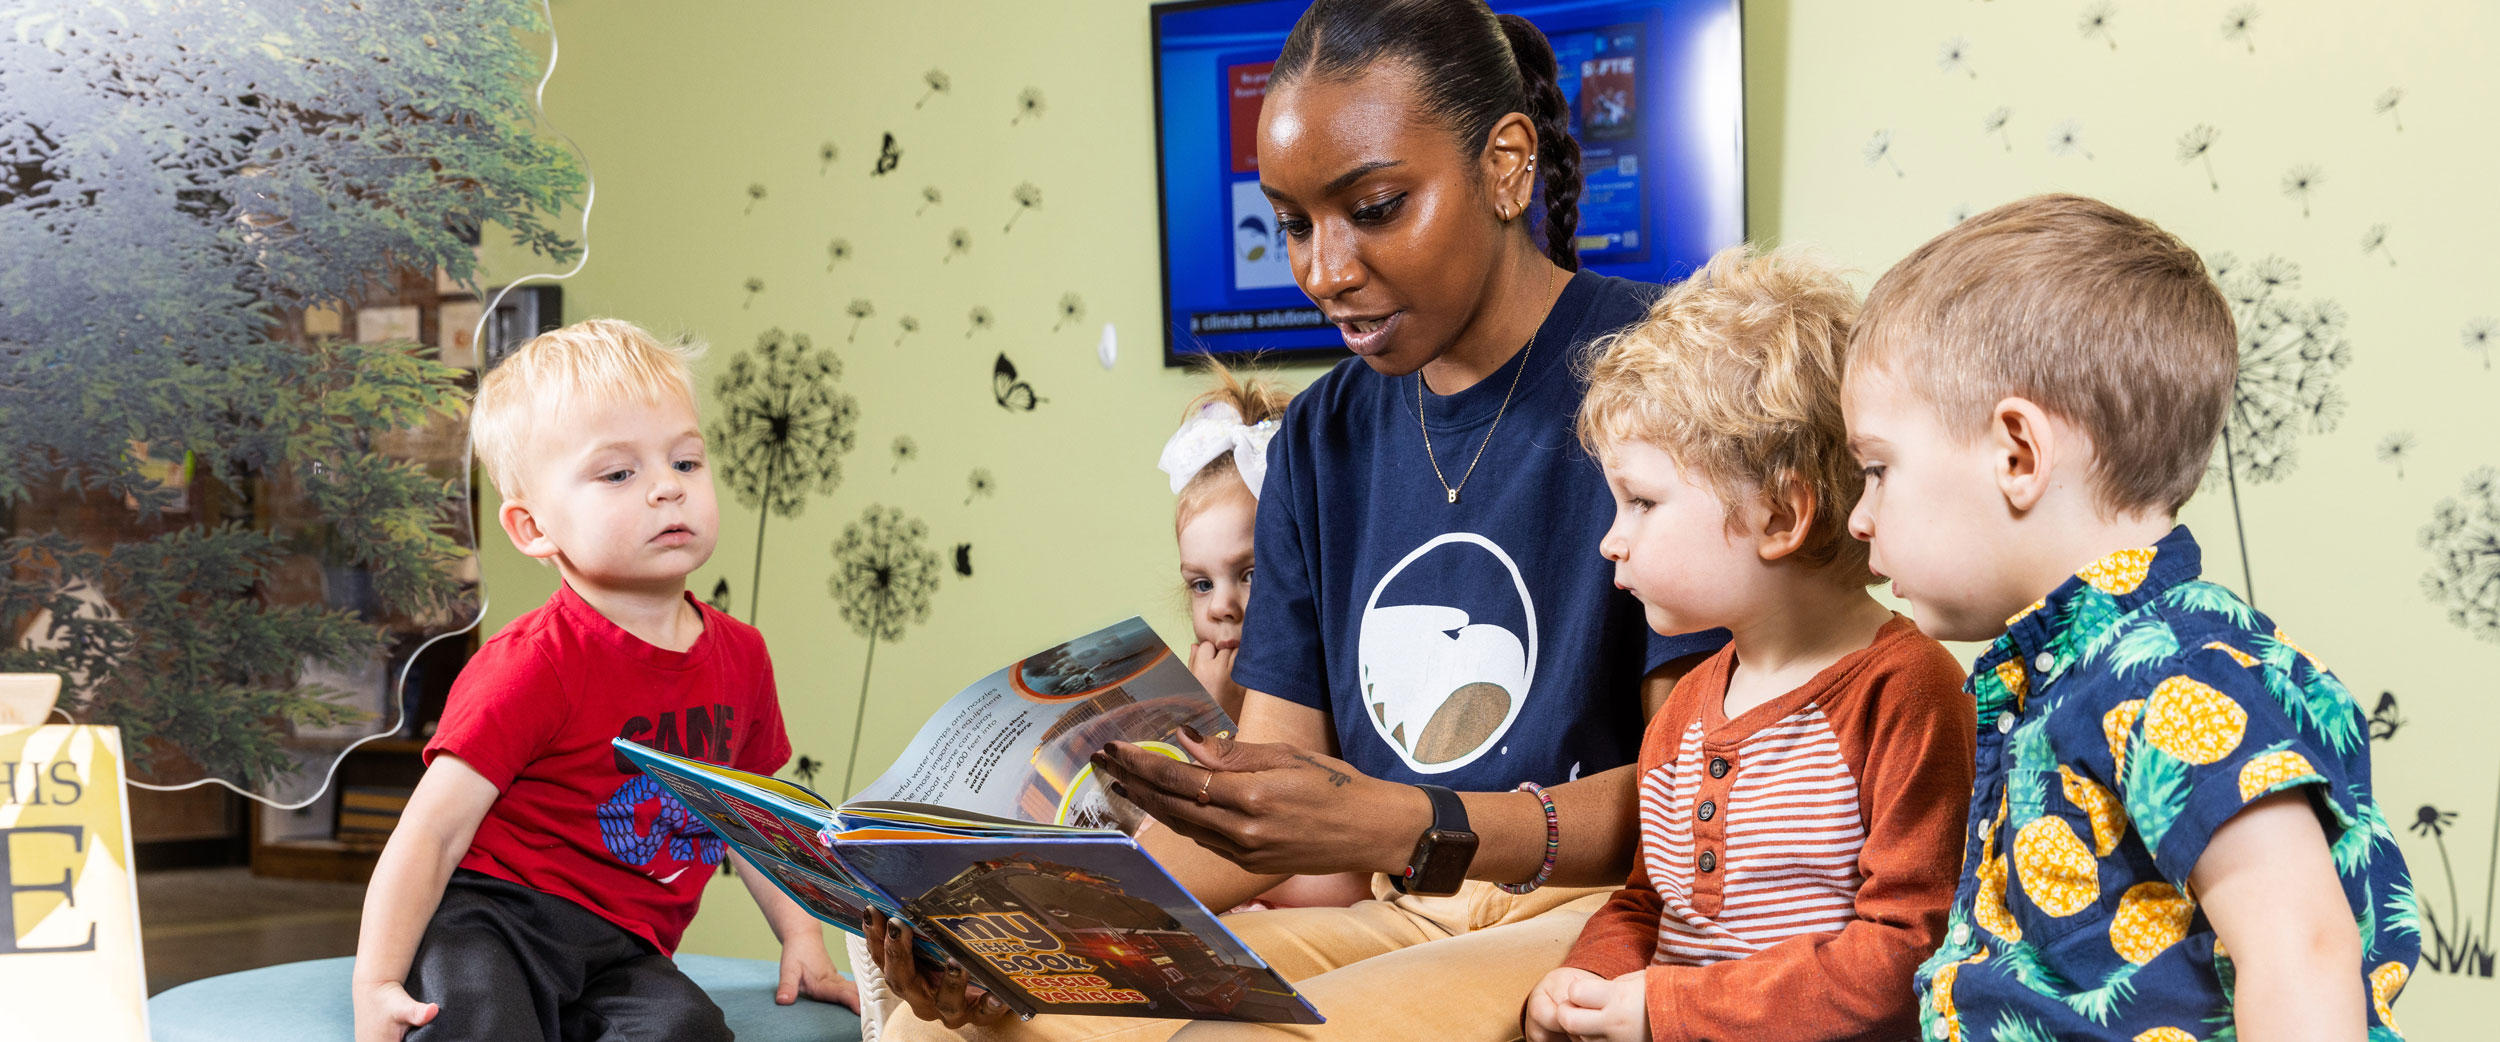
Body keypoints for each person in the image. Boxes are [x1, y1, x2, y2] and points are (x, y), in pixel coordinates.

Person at [869, 1, 1726, 1039]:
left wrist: (1419, 821)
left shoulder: (1663, 375)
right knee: (974, 1017)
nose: (1322, 270)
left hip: (1602, 915)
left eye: (1373, 207)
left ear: (1505, 166)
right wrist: (1036, 928)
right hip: (1406, 911)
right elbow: (1261, 808)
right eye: (1291, 222)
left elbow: (1706, 792)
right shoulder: (1322, 437)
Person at [1840, 195, 2417, 1041]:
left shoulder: (2179, 674)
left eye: (1879, 469)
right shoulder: (2071, 674)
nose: (1859, 516)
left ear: (2018, 455)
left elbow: (2301, 948)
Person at [350, 319, 857, 1042]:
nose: (666, 491)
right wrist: (376, 983)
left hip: (628, 942)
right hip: (496, 920)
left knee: (689, 1032)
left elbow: (754, 827)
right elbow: (431, 833)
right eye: (619, 473)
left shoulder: (741, 657)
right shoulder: (534, 663)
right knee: (483, 1025)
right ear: (532, 529)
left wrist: (802, 938)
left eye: (686, 463)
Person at [1520, 245, 1974, 1042]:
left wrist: (1665, 1011)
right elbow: (1646, 902)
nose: (1611, 541)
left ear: (1777, 517)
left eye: (1641, 502)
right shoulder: (1687, 708)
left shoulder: (1907, 692)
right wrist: (1590, 978)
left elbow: (1908, 950)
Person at [1156, 359, 1373, 912]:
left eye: (1250, 573)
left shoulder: (1332, 695)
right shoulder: (1201, 683)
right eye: (1201, 584)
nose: (1223, 606)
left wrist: (1222, 739)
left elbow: (1345, 885)